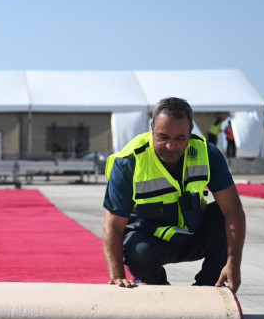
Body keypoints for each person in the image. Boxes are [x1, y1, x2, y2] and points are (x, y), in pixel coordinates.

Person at [102, 97, 245, 293]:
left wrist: (233, 264)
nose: (170, 146)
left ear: (191, 130)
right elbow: (113, 226)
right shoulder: (129, 162)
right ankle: (160, 288)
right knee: (138, 252)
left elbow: (233, 210)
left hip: (194, 235)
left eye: (180, 138)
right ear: (152, 128)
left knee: (221, 215)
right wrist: (117, 276)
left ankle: (209, 288)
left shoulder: (208, 154)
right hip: (151, 243)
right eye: (163, 137)